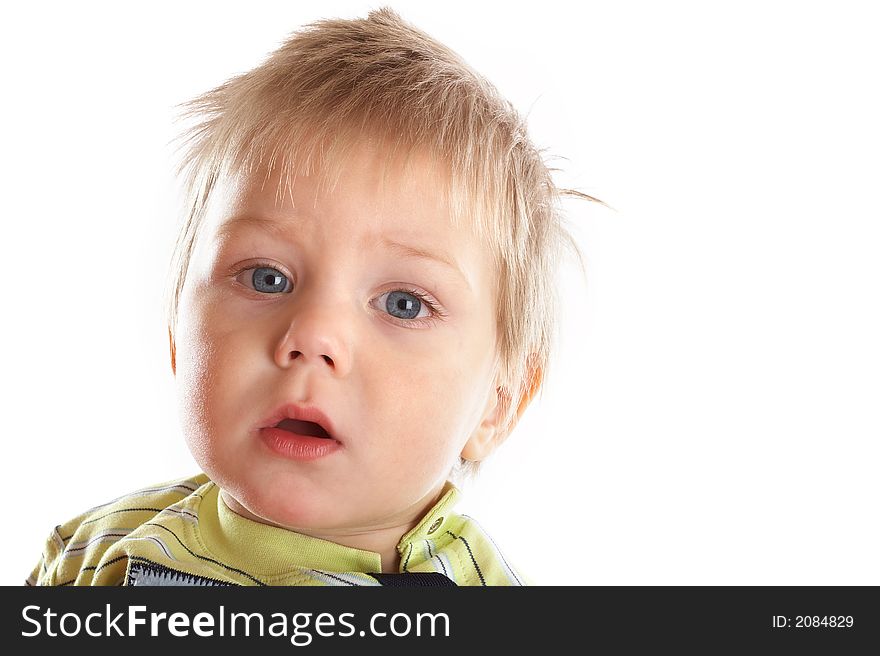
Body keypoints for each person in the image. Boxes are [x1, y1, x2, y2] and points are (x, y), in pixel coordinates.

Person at [28, 7, 594, 586]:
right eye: (265, 278)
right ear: (178, 333)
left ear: (498, 404)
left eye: (404, 303)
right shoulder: (95, 557)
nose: (313, 336)